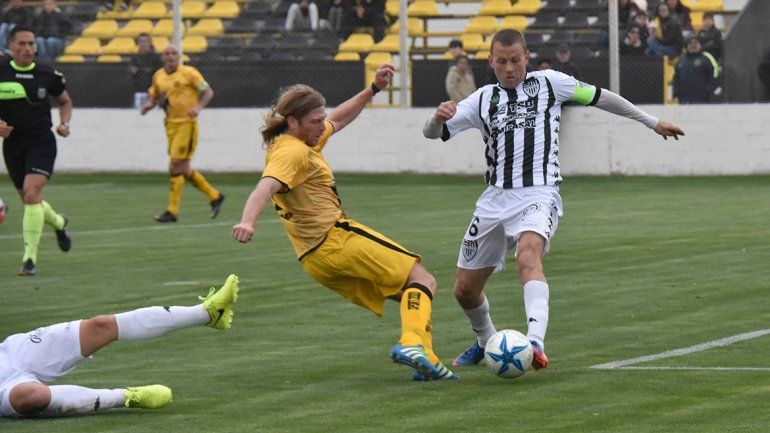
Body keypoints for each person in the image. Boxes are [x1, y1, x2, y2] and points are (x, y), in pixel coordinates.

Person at [422, 29, 684, 370]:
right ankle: (486, 341)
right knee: (464, 290)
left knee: (528, 257)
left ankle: (534, 343)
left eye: (516, 60)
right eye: (502, 61)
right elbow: (432, 133)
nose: (510, 68)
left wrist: (650, 122)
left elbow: (602, 96)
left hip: (538, 192)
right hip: (494, 199)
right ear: (491, 61)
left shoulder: (550, 83)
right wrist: (436, 118)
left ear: (526, 58)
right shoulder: (482, 99)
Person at [231, 66, 458, 381]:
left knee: (408, 292)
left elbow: (337, 119)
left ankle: (426, 362)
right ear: (292, 121)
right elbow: (264, 187)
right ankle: (412, 346)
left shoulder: (302, 138)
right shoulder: (292, 152)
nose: (320, 126)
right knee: (424, 280)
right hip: (336, 239)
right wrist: (247, 221)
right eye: (313, 122)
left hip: (315, 259)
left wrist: (373, 89)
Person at [0, 274, 239, 419]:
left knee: (100, 325)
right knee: (32, 396)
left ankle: (206, 313)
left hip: (10, 353)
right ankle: (124, 396)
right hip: (4, 388)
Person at [0, 26, 72, 276]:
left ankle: (29, 260)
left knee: (31, 195)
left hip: (41, 142)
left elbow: (65, 101)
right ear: (11, 46)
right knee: (29, 200)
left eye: (31, 43)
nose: (29, 48)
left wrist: (64, 123)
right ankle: (59, 223)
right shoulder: (1, 71)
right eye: (23, 43)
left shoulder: (46, 73)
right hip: (13, 146)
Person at [140, 45, 225, 223]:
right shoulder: (159, 76)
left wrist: (198, 107)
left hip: (187, 125)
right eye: (167, 54)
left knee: (174, 165)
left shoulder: (190, 73)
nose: (170, 57)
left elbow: (208, 92)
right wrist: (149, 105)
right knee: (183, 169)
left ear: (179, 56)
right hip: (170, 125)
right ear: (162, 57)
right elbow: (155, 95)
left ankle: (172, 211)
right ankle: (215, 196)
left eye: (173, 53)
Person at [673, 37, 717, 104]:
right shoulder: (680, 60)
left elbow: (713, 75)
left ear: (700, 45)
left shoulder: (706, 59)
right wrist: (676, 92)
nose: (693, 45)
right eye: (690, 43)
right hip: (684, 99)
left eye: (696, 43)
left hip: (702, 99)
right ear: (686, 46)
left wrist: (709, 89)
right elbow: (676, 77)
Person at [129, 33, 162, 109]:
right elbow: (132, 71)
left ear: (150, 43)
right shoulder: (134, 58)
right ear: (137, 43)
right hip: (138, 92)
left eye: (146, 41)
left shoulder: (156, 58)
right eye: (141, 41)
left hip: (152, 93)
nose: (143, 44)